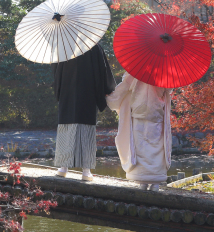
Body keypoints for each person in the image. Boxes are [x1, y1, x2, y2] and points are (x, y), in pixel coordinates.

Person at [52, 44, 116, 181]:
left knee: (67, 126)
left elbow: (55, 69)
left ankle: (64, 167)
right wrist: (106, 89)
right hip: (87, 91)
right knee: (85, 128)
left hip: (67, 91)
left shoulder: (64, 44)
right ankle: (85, 171)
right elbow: (102, 70)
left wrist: (59, 89)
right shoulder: (92, 46)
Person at [105, 72, 173, 190]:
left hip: (139, 115)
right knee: (156, 149)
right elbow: (169, 90)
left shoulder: (137, 70)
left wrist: (111, 98)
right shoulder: (163, 72)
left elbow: (125, 87)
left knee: (140, 149)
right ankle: (155, 183)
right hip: (156, 115)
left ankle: (143, 182)